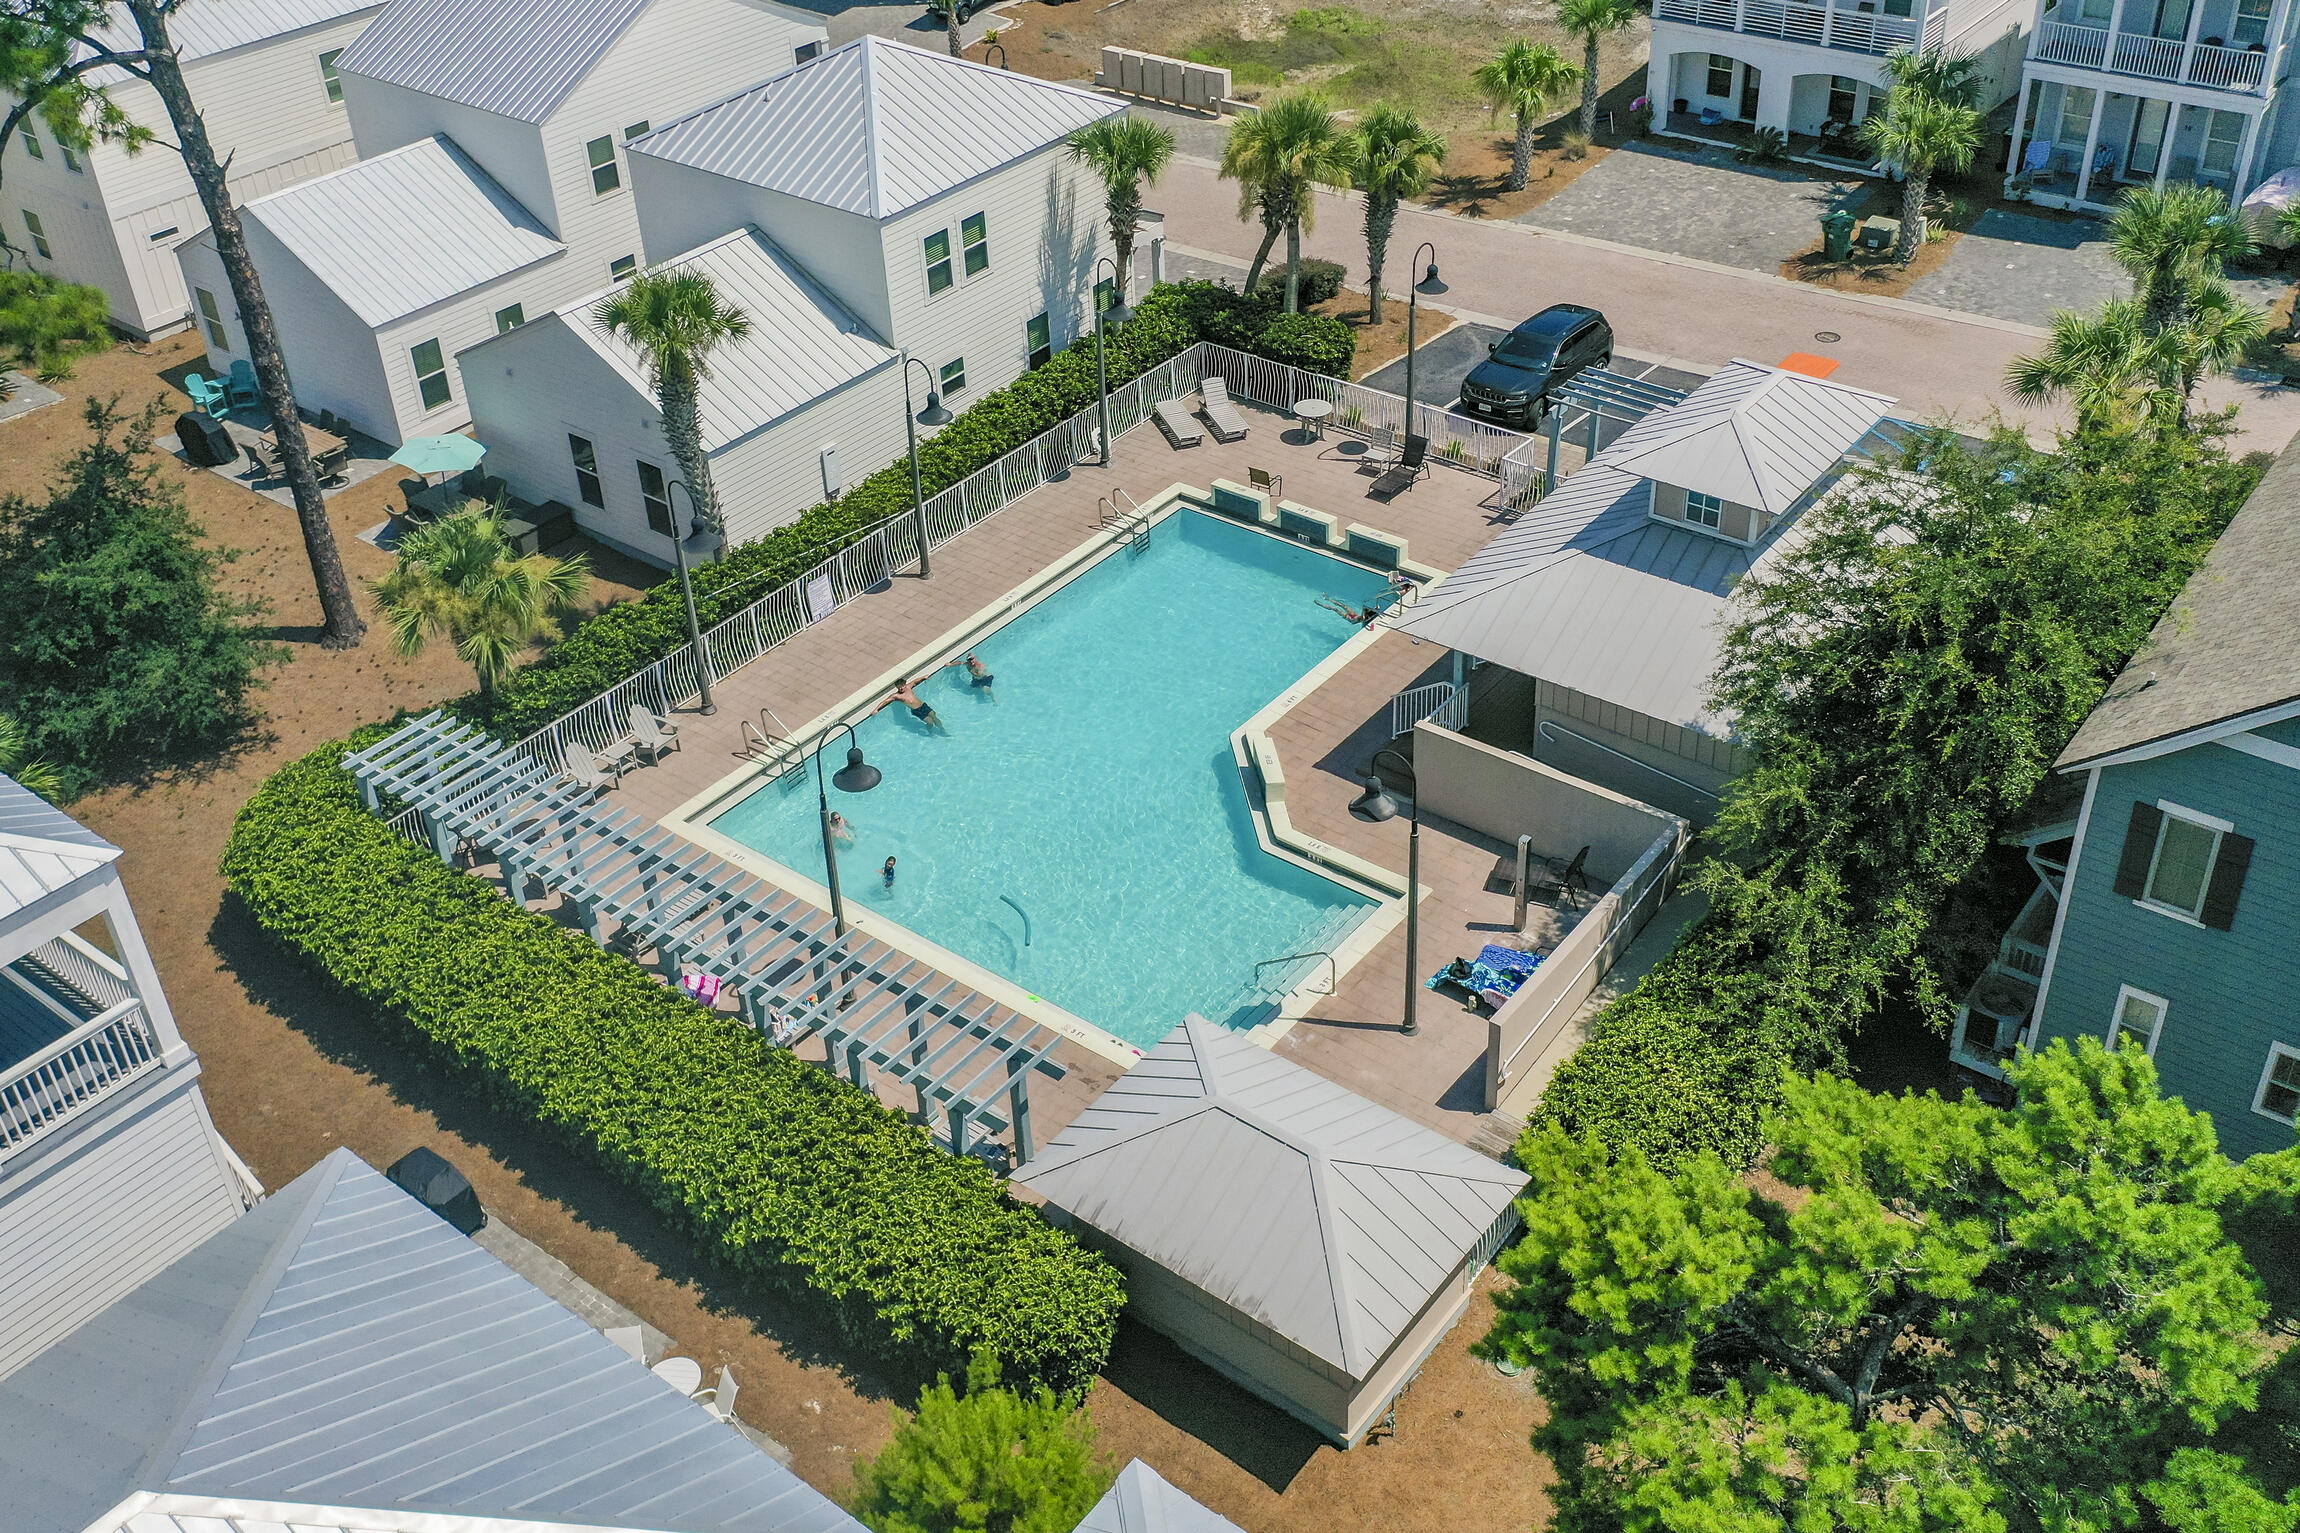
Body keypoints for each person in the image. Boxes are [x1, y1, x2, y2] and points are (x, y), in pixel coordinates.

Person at [1317, 593, 1386, 627]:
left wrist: (1375, 610)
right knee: (1343, 606)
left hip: (1351, 619)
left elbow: (1357, 619)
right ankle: (1327, 599)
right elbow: (1368, 613)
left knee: (1335, 609)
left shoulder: (1357, 619)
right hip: (1355, 617)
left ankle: (1320, 604)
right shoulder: (1363, 616)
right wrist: (1375, 609)